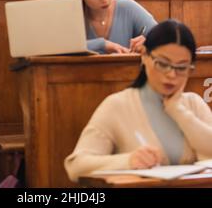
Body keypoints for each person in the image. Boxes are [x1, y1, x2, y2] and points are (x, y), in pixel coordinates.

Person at [65, 19, 212, 182]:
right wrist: (128, 161)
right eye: (162, 64)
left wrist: (179, 111)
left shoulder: (193, 103)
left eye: (182, 67)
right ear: (144, 56)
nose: (171, 75)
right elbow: (76, 166)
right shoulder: (117, 105)